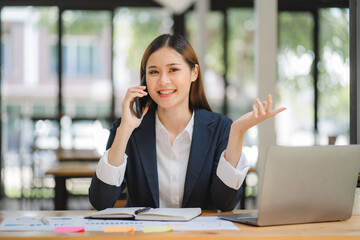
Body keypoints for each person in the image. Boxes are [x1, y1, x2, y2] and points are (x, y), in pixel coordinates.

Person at [89, 34, 286, 211]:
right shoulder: (127, 129)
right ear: (144, 79)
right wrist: (125, 130)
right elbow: (101, 201)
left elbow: (224, 203)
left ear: (194, 73)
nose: (163, 81)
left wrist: (237, 133)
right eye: (154, 72)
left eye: (173, 70)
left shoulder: (220, 128)